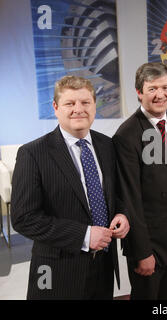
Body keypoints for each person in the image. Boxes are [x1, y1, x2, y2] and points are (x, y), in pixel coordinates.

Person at [11, 75, 130, 300]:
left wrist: (122, 213)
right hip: (57, 272)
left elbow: (113, 194)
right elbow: (24, 218)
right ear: (55, 108)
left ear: (95, 106)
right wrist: (84, 236)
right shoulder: (33, 154)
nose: (79, 109)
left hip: (103, 267)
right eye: (70, 103)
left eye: (85, 102)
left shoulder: (107, 145)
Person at [112, 62, 167, 300]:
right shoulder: (126, 135)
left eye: (165, 87)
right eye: (152, 89)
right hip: (149, 249)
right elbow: (129, 198)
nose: (160, 95)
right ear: (139, 92)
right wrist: (142, 252)